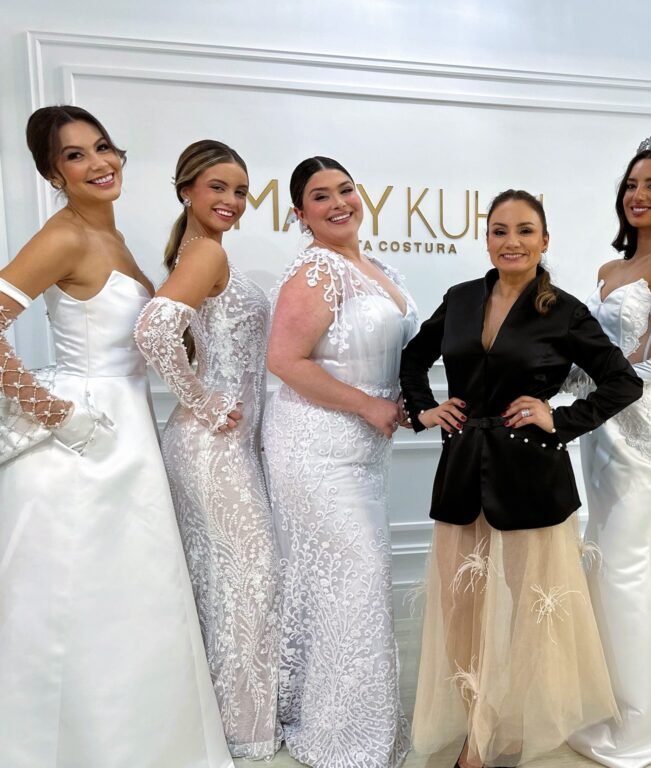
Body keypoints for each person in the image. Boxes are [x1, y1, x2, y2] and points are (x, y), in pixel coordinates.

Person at [0, 106, 231, 767]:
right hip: (84, 442)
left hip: (127, 432)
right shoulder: (64, 236)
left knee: (131, 602)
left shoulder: (114, 235)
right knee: (81, 604)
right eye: (75, 156)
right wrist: (53, 412)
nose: (99, 163)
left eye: (102, 147)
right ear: (53, 174)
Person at [402, 189, 643, 768]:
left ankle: (498, 735)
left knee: (530, 616)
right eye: (500, 231)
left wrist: (559, 418)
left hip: (532, 476)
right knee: (462, 614)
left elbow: (623, 381)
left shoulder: (563, 311)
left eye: (525, 230)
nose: (511, 242)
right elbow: (413, 357)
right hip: (462, 472)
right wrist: (425, 410)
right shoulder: (461, 299)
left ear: (544, 240)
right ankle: (476, 729)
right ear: (487, 239)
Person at [262, 156, 417, 768]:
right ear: (300, 214)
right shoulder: (316, 269)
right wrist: (367, 406)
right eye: (320, 196)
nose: (338, 203)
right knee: (356, 579)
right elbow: (284, 360)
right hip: (316, 444)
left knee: (345, 583)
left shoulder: (379, 268)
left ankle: (343, 718)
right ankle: (345, 740)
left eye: (345, 190)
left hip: (364, 449)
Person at [133, 139, 280, 759]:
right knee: (251, 577)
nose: (232, 201)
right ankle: (241, 727)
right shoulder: (207, 253)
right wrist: (204, 401)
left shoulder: (203, 252)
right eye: (218, 187)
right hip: (209, 446)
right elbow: (153, 331)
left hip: (222, 447)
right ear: (186, 190)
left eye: (241, 191)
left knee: (226, 583)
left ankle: (220, 720)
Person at [566, 135, 651, 768]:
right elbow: (596, 356)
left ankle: (642, 721)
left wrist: (619, 382)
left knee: (625, 558)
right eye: (630, 185)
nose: (638, 195)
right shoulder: (608, 270)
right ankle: (607, 703)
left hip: (644, 428)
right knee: (610, 555)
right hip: (600, 430)